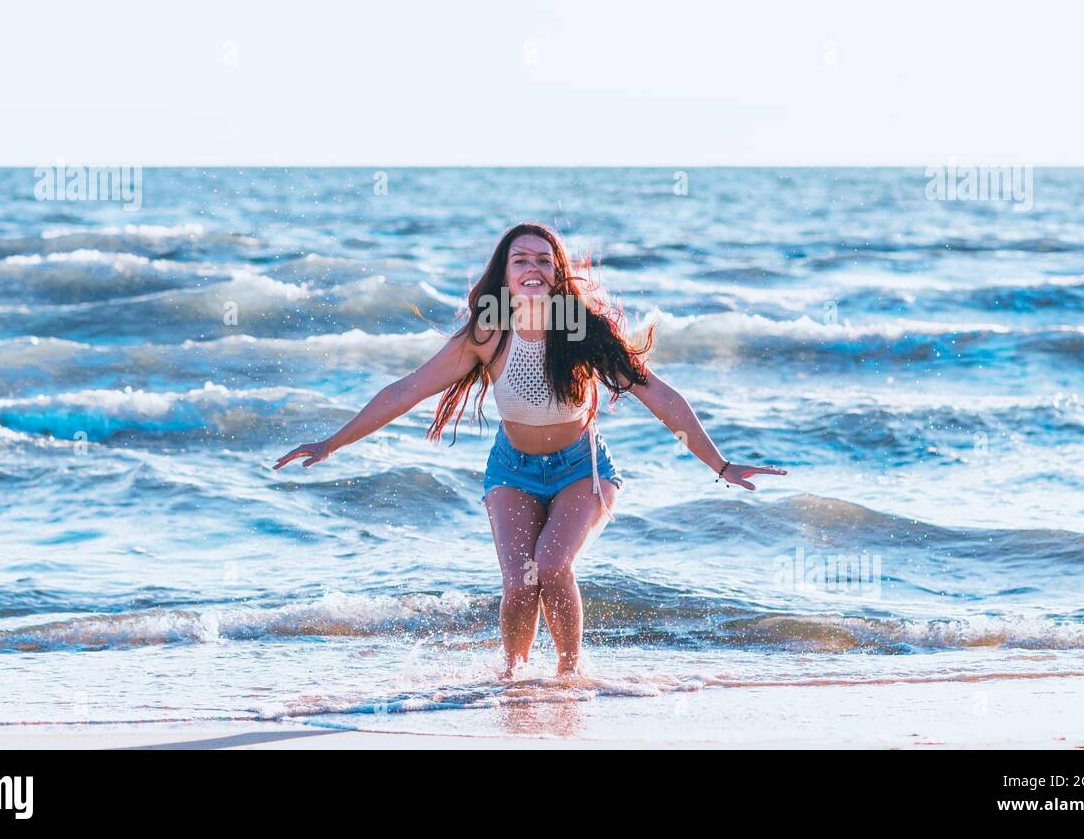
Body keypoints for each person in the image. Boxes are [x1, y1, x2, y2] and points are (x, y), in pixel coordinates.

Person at [274, 222, 786, 677]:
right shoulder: (488, 333)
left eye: (544, 259)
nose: (533, 267)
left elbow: (660, 395)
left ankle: (569, 677)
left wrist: (720, 464)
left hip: (581, 469)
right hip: (512, 468)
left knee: (553, 564)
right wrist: (333, 442)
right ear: (506, 275)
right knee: (520, 581)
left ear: (557, 273)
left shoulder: (583, 329)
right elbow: (406, 390)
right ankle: (513, 678)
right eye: (521, 259)